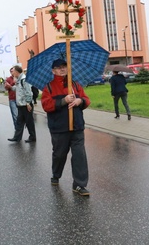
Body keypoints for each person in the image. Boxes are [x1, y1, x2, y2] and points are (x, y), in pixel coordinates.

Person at [41, 59, 91, 196]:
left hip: (77, 126)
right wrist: (63, 101)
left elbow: (87, 100)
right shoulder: (49, 87)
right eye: (58, 67)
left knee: (79, 155)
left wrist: (79, 100)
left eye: (64, 66)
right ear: (53, 71)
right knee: (59, 155)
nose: (62, 69)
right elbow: (46, 105)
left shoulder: (75, 84)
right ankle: (56, 174)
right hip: (59, 128)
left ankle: (79, 185)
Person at [7, 65, 36, 143]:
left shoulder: (24, 79)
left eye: (13, 71)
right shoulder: (19, 80)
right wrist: (10, 87)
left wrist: (28, 103)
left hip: (26, 105)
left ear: (16, 71)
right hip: (20, 105)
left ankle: (32, 137)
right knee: (19, 122)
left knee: (29, 122)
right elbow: (18, 89)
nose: (12, 73)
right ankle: (17, 137)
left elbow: (28, 92)